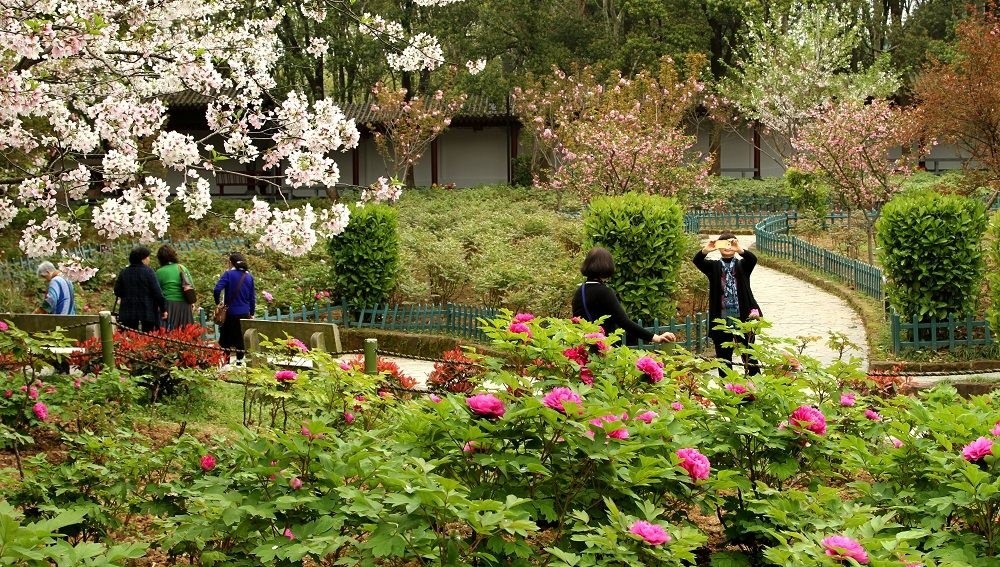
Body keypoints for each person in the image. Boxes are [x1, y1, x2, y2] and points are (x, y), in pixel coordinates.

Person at [572, 247, 676, 347]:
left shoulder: (579, 292)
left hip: (582, 347)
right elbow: (624, 322)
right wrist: (656, 338)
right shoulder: (604, 292)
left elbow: (577, 322)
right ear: (606, 267)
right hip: (600, 350)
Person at [693, 232, 762, 376]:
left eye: (731, 243)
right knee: (724, 358)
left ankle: (755, 387)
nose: (728, 247)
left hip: (744, 317)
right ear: (718, 247)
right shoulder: (713, 267)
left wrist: (740, 250)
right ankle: (727, 390)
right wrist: (706, 249)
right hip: (721, 319)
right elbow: (698, 261)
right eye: (724, 243)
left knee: (749, 354)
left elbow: (752, 259)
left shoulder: (743, 265)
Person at [115, 246, 168, 332]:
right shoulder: (149, 272)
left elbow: (117, 291)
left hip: (128, 312)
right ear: (143, 259)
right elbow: (157, 292)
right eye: (148, 257)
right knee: (148, 339)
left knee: (130, 338)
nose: (149, 259)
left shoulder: (124, 272)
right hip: (147, 312)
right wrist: (163, 309)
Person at [213, 252, 255, 361]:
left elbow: (217, 289)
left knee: (225, 340)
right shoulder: (249, 276)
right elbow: (252, 298)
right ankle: (240, 363)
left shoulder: (228, 274)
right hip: (244, 313)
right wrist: (252, 313)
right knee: (240, 340)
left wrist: (218, 303)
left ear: (231, 263)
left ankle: (226, 364)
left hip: (230, 313)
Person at [155, 245, 195, 330]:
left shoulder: (159, 272)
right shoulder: (182, 268)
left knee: (169, 332)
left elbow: (157, 291)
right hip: (185, 304)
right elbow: (190, 285)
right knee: (186, 332)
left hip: (168, 304)